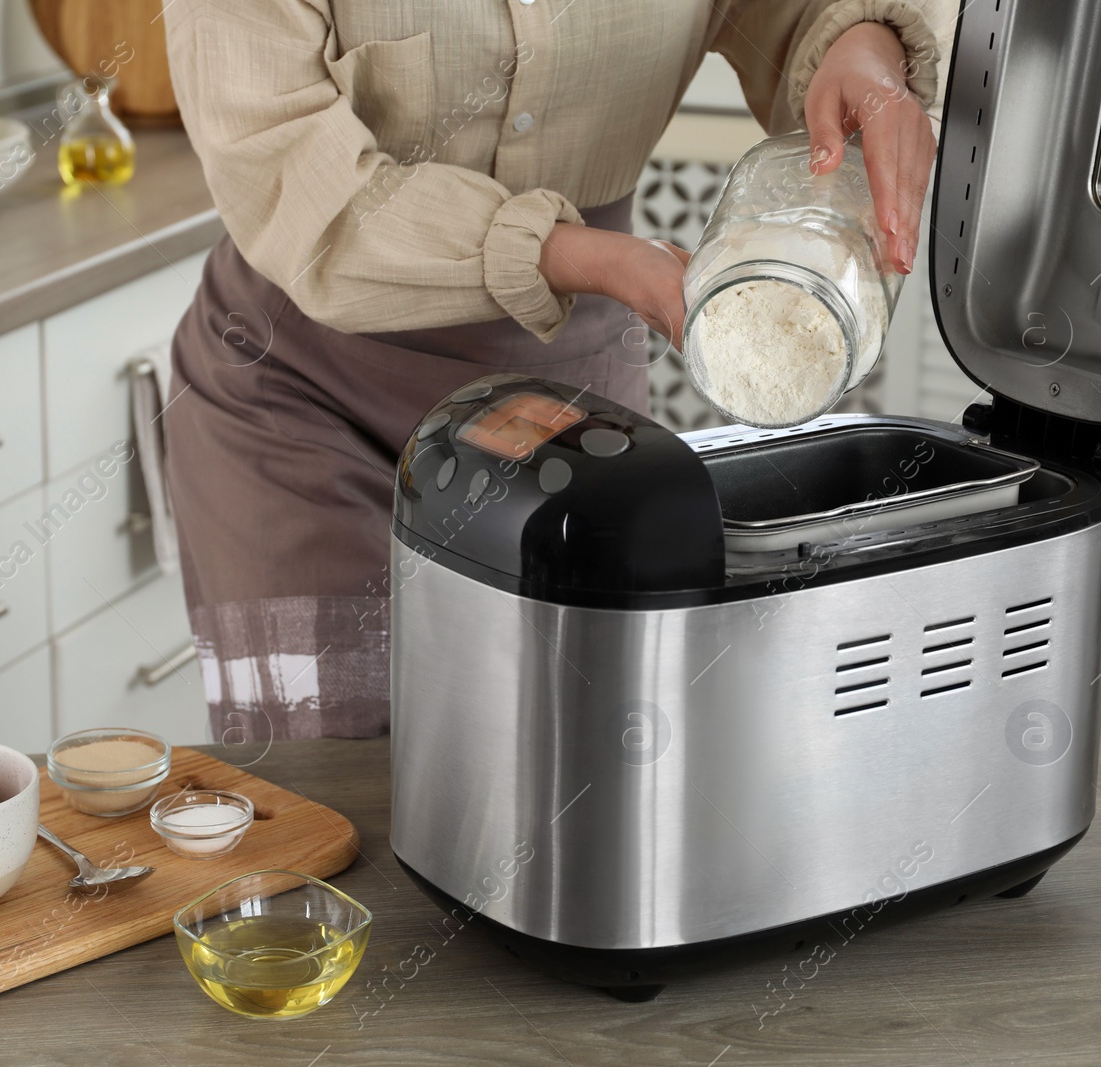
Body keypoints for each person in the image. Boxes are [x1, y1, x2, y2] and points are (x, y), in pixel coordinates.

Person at [162, 0, 940, 741]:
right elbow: (292, 181)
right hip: (302, 404)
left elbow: (796, 15)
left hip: (571, 421)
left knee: (559, 767)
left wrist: (856, 40)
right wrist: (579, 256)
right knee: (336, 792)